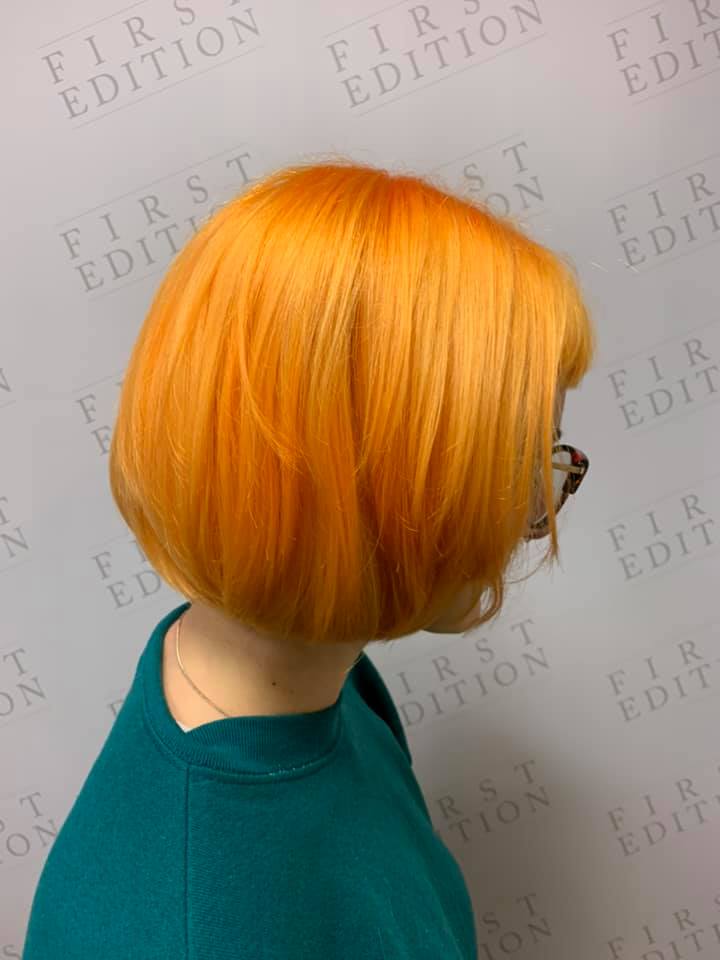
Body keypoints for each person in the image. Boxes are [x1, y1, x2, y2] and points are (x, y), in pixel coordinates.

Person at [22, 159, 595, 959]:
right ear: (369, 486)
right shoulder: (191, 931)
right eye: (519, 464)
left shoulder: (322, 684)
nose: (536, 512)